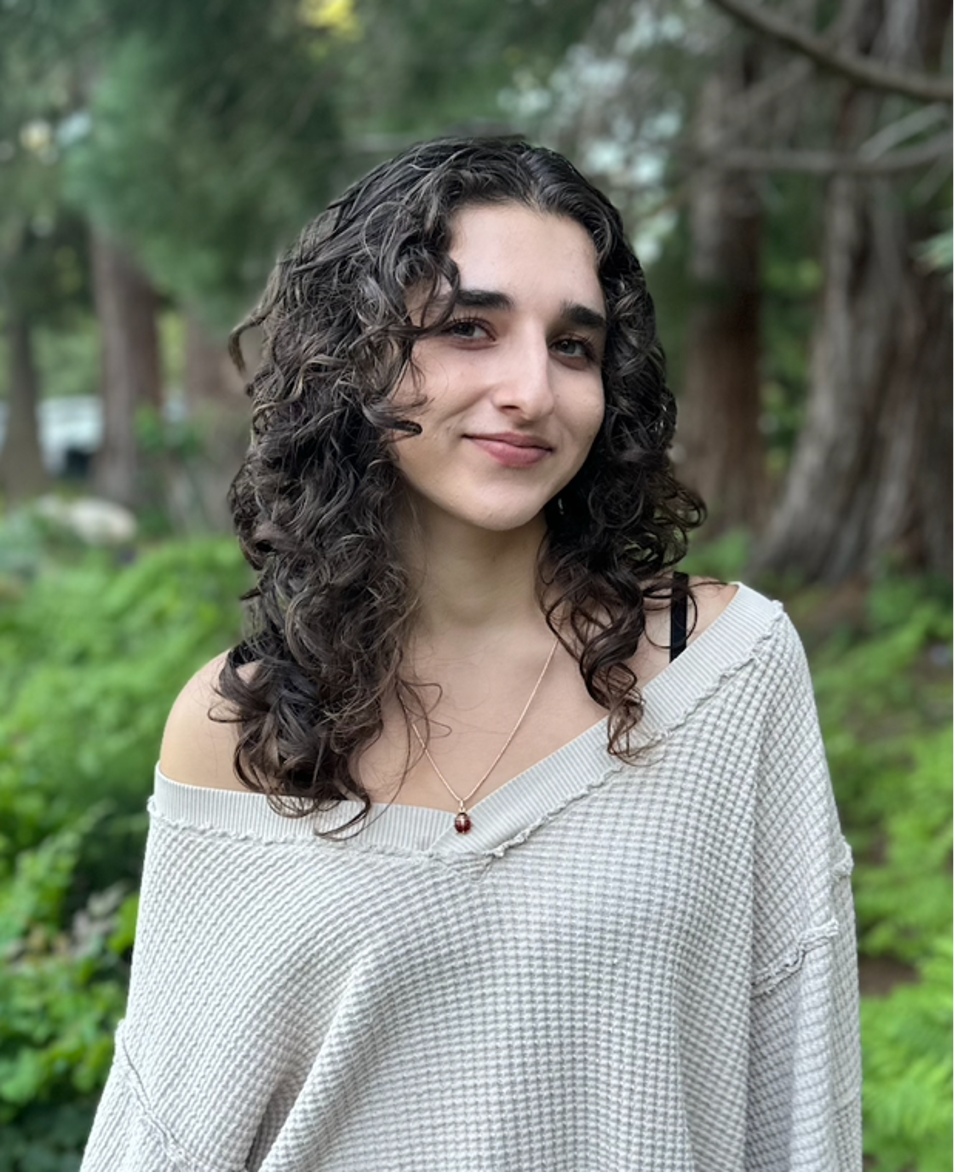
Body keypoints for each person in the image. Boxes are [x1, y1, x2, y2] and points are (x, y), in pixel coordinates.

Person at [81, 137, 861, 1172]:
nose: (530, 389)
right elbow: (168, 1130)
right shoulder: (242, 726)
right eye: (468, 328)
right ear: (354, 354)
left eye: (573, 346)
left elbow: (801, 1082)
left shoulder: (726, 671)